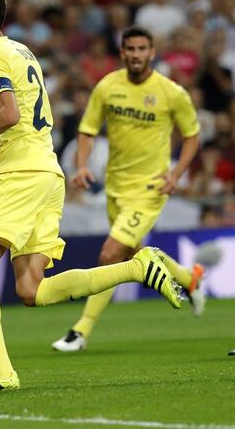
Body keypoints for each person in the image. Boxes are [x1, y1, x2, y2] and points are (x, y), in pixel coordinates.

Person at [0, 0, 181, 394]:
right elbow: (5, 118)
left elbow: (7, 118)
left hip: (19, 174)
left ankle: (1, 373)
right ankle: (138, 267)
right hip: (47, 172)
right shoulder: (19, 51)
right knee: (31, 289)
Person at [52, 26, 204, 353]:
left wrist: (176, 173)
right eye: (130, 49)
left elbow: (192, 135)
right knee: (132, 255)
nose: (136, 54)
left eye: (141, 49)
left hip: (149, 188)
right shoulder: (107, 86)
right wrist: (81, 164)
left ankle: (80, 331)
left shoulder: (171, 92)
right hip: (115, 187)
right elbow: (87, 130)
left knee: (110, 254)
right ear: (122, 53)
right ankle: (189, 278)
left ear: (152, 52)